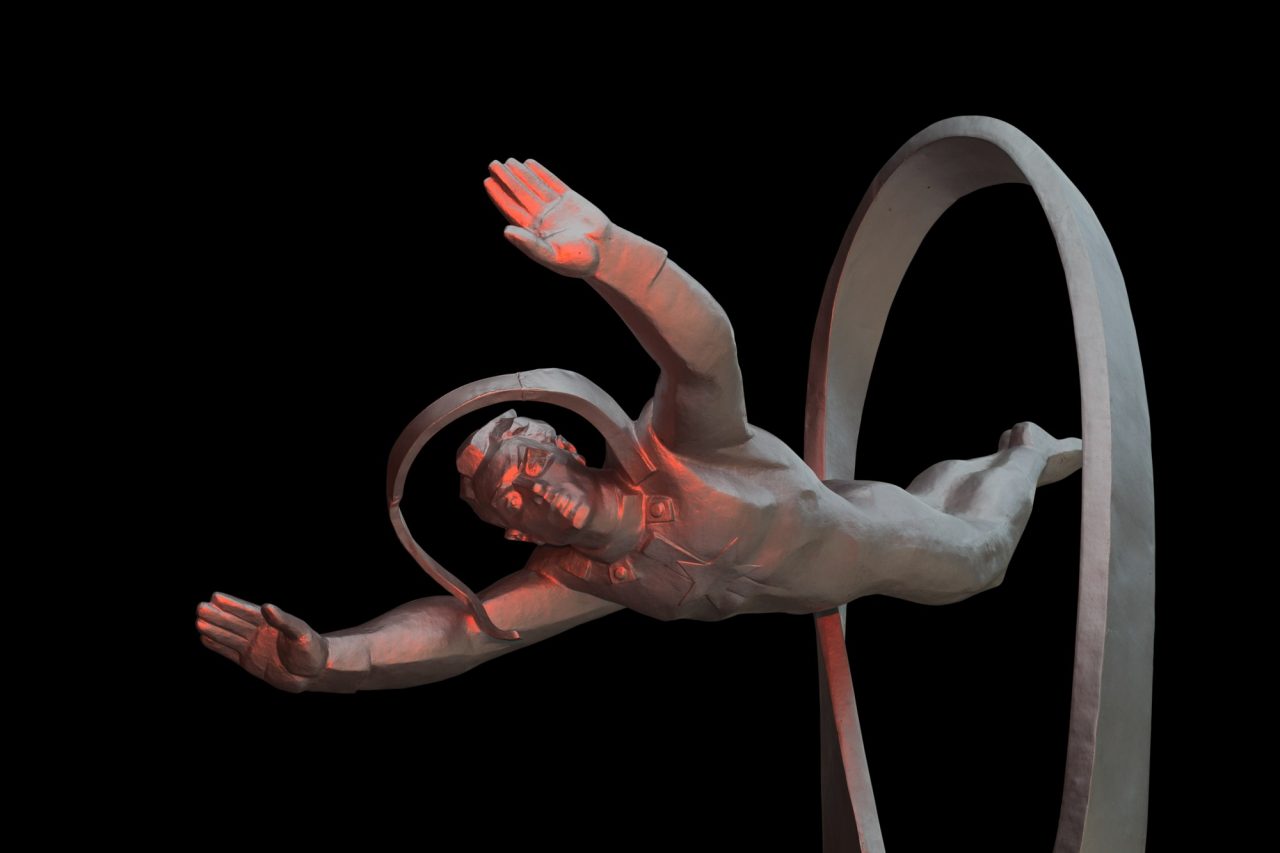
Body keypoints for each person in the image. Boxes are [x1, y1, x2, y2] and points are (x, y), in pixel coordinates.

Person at [195, 158, 1082, 694]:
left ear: (568, 446)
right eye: (512, 498)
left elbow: (705, 354)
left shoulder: (680, 450)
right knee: (932, 517)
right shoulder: (587, 576)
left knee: (984, 558)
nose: (532, 488)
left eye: (531, 463)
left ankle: (1023, 450)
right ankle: (965, 472)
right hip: (833, 572)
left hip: (879, 541)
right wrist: (333, 659)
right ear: (515, 531)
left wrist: (615, 260)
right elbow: (465, 632)